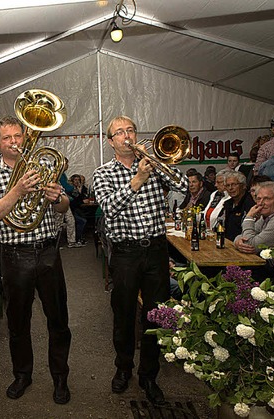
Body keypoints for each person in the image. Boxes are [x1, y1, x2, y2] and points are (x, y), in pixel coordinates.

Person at [92, 115, 188, 406]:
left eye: (130, 130)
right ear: (111, 142)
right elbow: (109, 208)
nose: (127, 136)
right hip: (125, 252)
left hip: (156, 249)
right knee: (123, 313)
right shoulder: (103, 173)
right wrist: (137, 180)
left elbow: (183, 185)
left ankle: (149, 375)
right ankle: (123, 368)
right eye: (119, 132)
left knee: (156, 314)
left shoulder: (152, 163)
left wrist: (159, 162)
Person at [0, 115, 72, 404]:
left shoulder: (43, 165)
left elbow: (64, 207)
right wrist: (17, 190)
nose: (14, 142)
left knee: (58, 319)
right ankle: (22, 375)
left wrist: (57, 197)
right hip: (14, 255)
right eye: (7, 138)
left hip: (47, 252)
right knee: (18, 322)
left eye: (17, 136)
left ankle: (60, 378)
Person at [234, 181, 274, 254]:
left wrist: (249, 218)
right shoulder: (269, 214)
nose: (261, 203)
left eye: (267, 199)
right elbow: (245, 235)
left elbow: (251, 246)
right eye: (258, 199)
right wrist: (237, 242)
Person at [223, 171, 255, 241]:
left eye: (234, 184)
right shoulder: (227, 204)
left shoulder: (250, 203)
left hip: (244, 243)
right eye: (228, 185)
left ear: (243, 186)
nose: (230, 188)